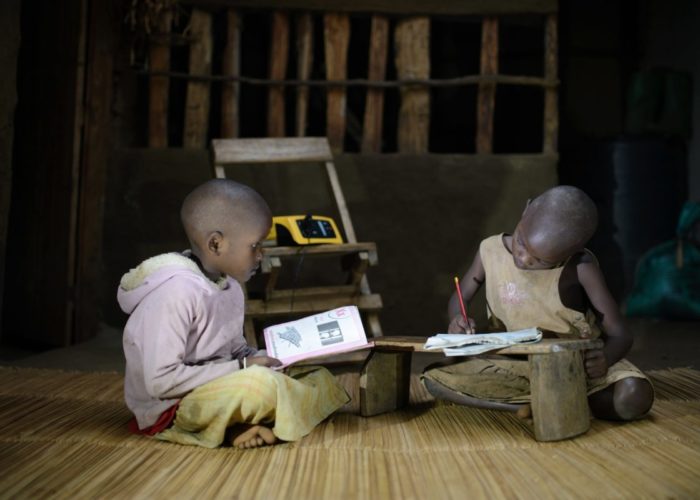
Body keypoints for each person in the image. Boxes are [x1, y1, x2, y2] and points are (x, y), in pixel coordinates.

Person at [119, 179, 349, 449]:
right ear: (216, 244)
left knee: (318, 375)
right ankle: (238, 424)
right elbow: (160, 382)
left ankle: (240, 424)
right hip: (173, 405)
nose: (262, 255)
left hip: (224, 385)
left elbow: (235, 349)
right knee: (258, 387)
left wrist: (265, 358)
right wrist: (243, 368)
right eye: (256, 246)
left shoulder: (231, 287)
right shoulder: (175, 293)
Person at [423, 185, 654, 421]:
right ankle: (548, 405)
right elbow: (459, 297)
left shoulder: (581, 267)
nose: (523, 259)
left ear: (572, 252)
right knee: (435, 377)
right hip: (513, 367)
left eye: (540, 260)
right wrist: (457, 319)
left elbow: (621, 335)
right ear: (525, 211)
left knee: (633, 396)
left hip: (575, 369)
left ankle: (538, 404)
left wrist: (605, 359)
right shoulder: (489, 251)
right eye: (522, 242)